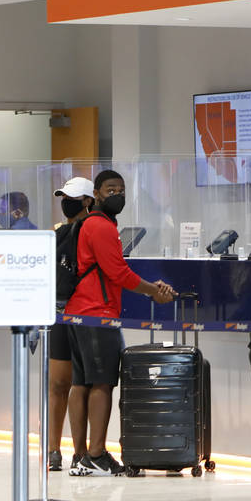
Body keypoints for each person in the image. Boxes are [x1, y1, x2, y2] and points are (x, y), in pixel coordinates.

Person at [66, 169, 177, 477]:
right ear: (96, 194)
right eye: (110, 189)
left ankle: (79, 455)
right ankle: (97, 453)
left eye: (122, 189)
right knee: (102, 382)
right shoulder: (100, 226)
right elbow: (118, 273)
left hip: (77, 312)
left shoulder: (87, 225)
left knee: (82, 382)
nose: (118, 194)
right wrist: (154, 292)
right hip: (97, 313)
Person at [46, 175, 98, 472]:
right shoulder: (59, 233)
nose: (66, 203)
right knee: (58, 383)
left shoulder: (94, 230)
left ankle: (80, 450)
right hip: (59, 313)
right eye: (64, 198)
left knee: (82, 384)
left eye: (72, 198)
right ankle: (54, 448)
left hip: (87, 313)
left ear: (88, 201)